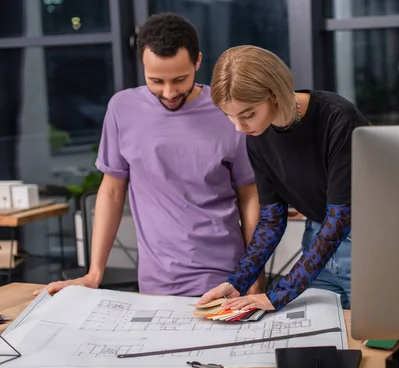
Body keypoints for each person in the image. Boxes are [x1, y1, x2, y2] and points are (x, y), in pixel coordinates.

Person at [34, 13, 263, 297]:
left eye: (180, 79)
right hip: (156, 284)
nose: (169, 92)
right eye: (156, 80)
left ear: (198, 62)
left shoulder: (227, 112)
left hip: (227, 279)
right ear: (143, 66)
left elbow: (249, 195)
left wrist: (255, 278)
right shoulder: (122, 109)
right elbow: (112, 192)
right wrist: (94, 274)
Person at [196, 45, 369, 312]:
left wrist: (278, 294)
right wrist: (238, 281)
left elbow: (340, 219)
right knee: (321, 340)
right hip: (317, 242)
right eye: (229, 117)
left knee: (373, 343)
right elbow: (271, 219)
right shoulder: (257, 137)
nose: (239, 127)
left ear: (274, 93)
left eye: (247, 114)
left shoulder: (338, 119)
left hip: (367, 248)